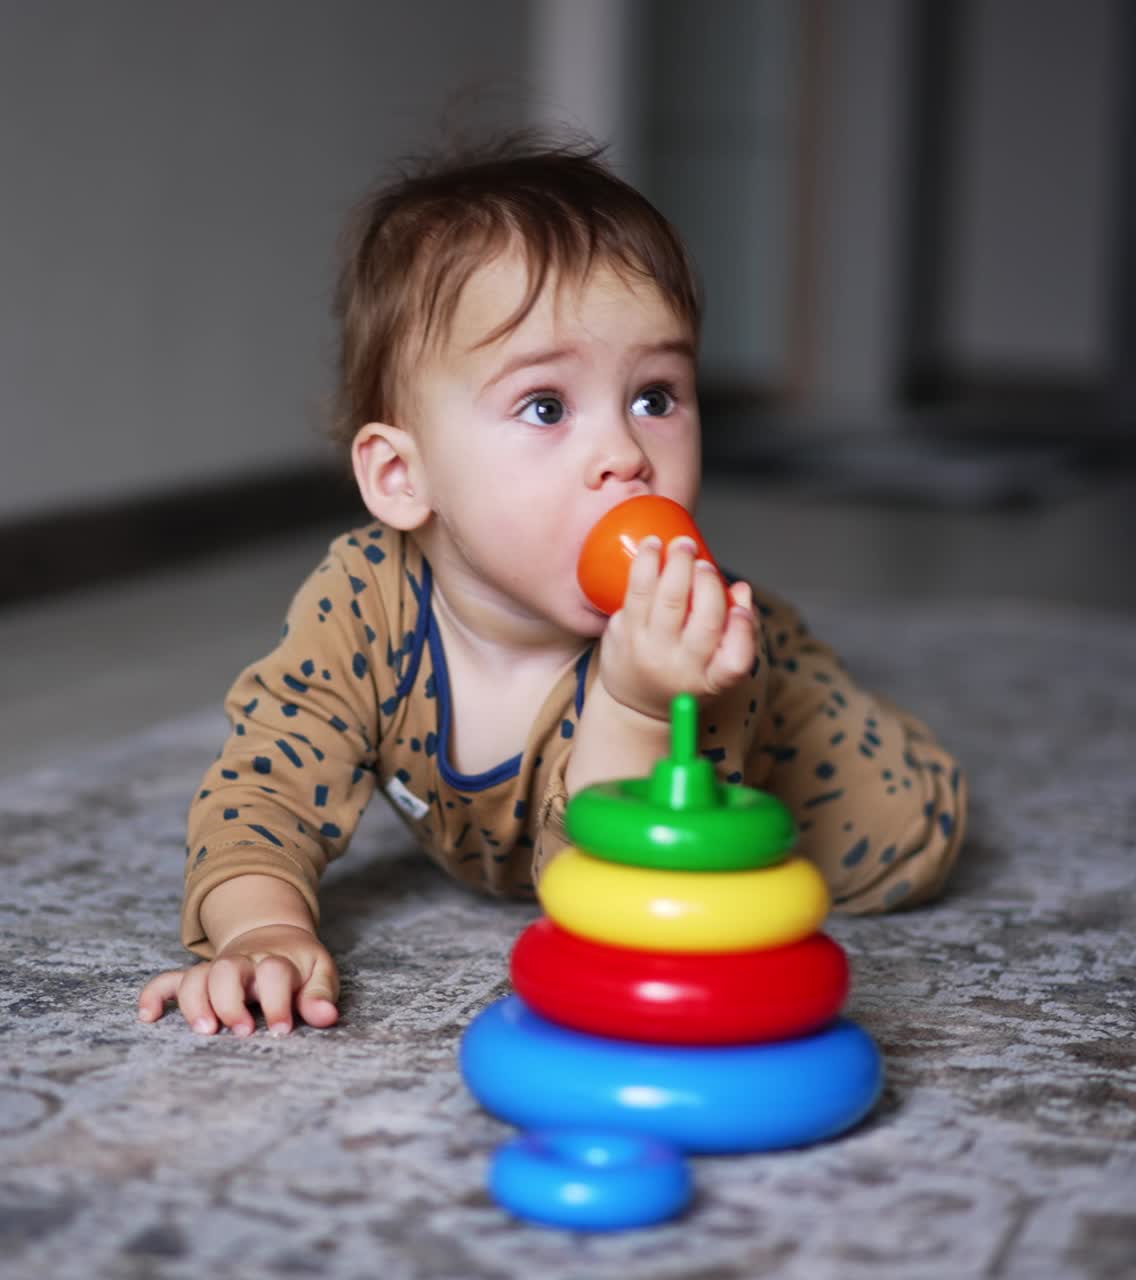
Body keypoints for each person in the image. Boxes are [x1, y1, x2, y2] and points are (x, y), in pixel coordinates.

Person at [137, 133, 967, 1038]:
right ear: (402, 478)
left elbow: (615, 902)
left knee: (910, 848)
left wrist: (641, 702)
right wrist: (260, 928)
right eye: (546, 406)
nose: (625, 456)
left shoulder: (685, 641)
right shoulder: (363, 602)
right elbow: (263, 788)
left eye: (655, 395)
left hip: (843, 800)